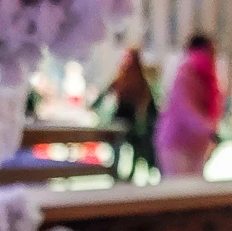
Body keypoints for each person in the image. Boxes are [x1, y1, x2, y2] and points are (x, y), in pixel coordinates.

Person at [154, 35, 223, 178]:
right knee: (180, 191)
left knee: (188, 191)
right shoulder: (188, 73)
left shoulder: (204, 75)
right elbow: (185, 110)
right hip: (178, 143)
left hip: (194, 143)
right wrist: (209, 129)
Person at [94, 48, 157, 181]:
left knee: (126, 147)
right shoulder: (132, 78)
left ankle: (122, 174)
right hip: (126, 119)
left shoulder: (131, 78)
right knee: (123, 147)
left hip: (127, 119)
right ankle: (121, 174)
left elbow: (147, 101)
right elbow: (107, 92)